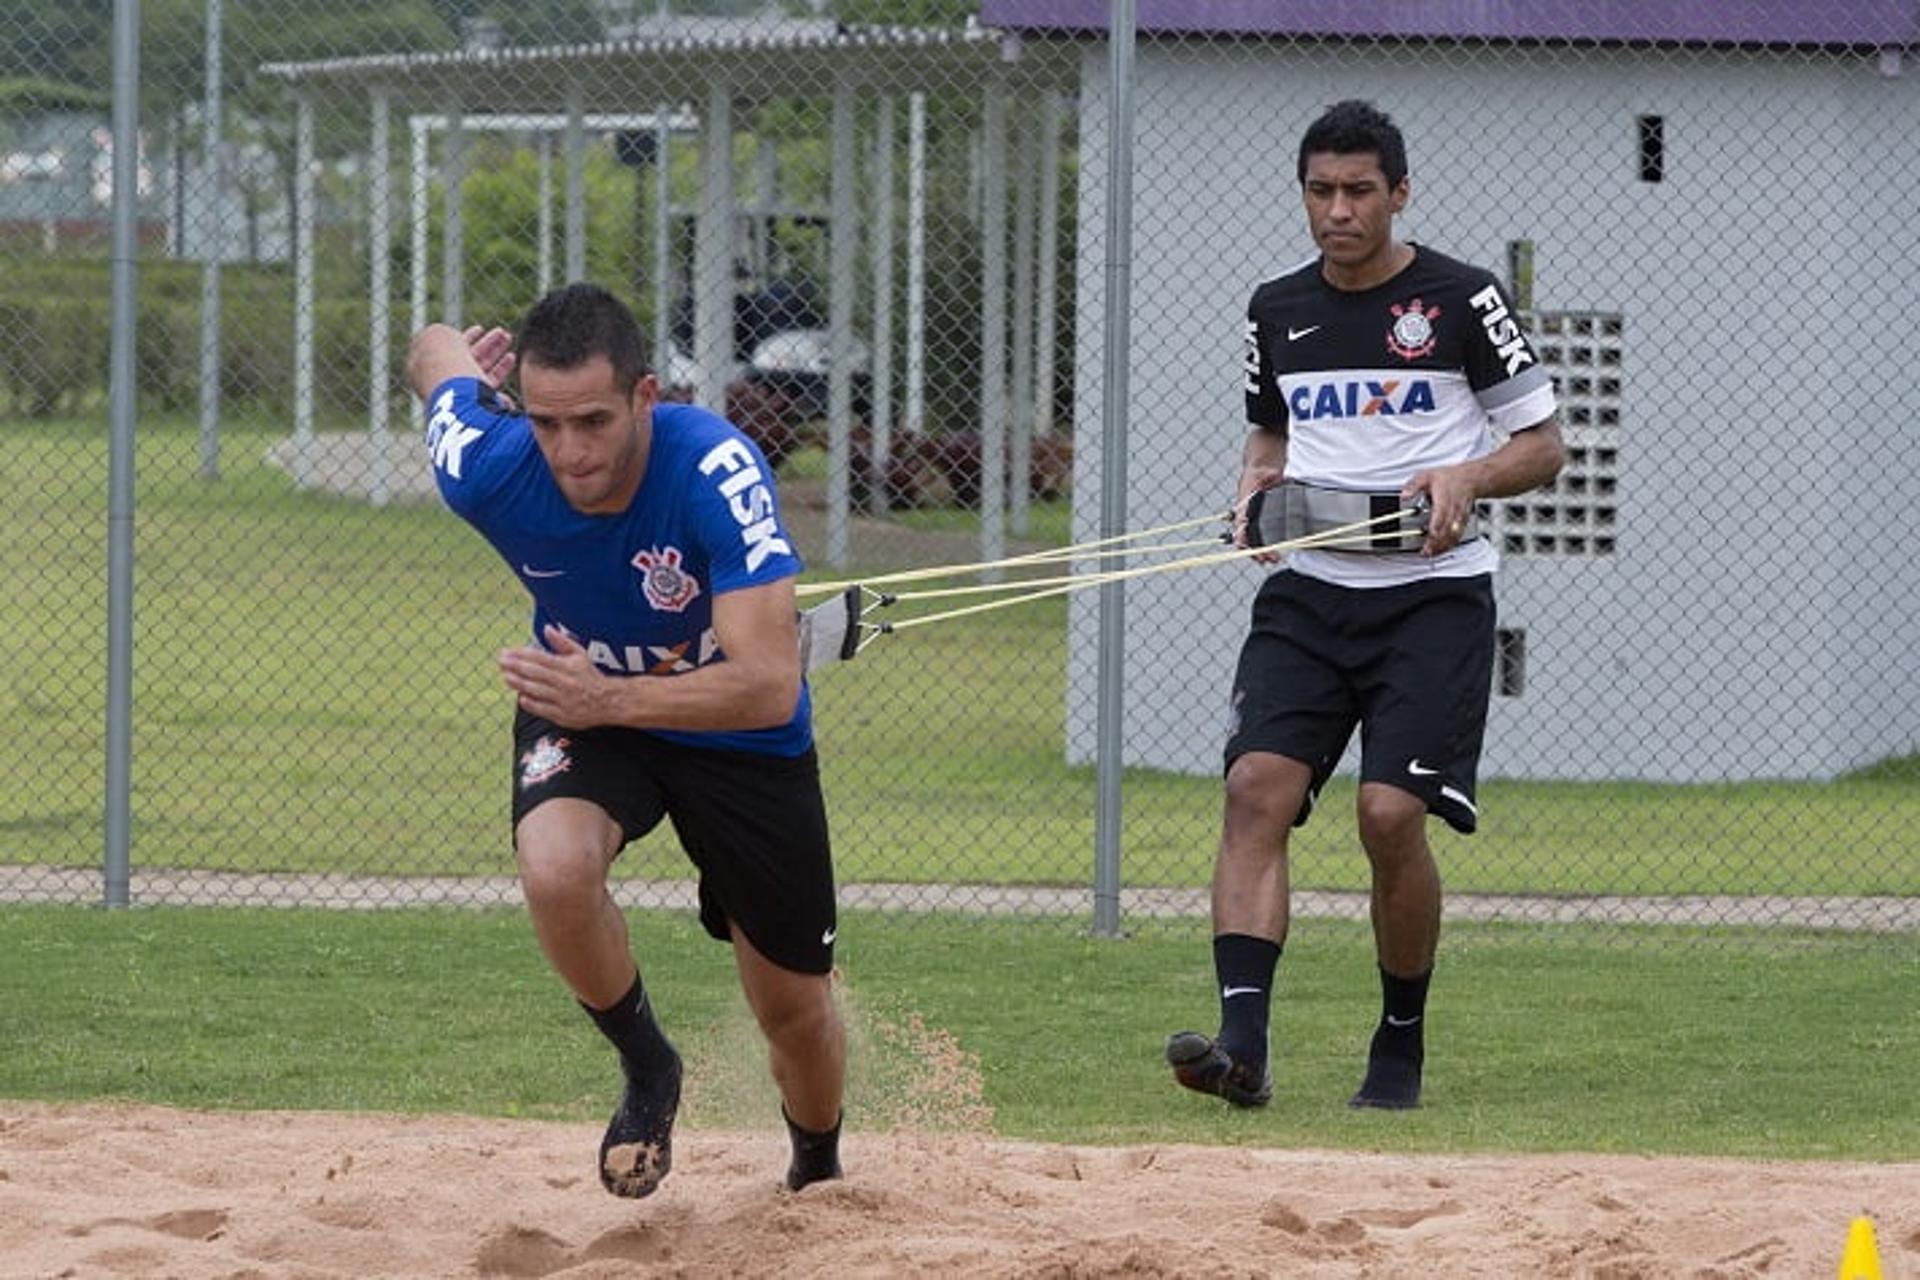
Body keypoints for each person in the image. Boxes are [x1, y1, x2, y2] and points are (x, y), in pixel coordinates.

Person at [1166, 100, 1565, 1111]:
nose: (1337, 211)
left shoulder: (1465, 299)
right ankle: (1242, 1048)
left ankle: (1399, 1041)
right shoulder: (1275, 309)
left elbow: (1542, 447)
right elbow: (1268, 442)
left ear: (1399, 193)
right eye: (1319, 191)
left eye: (1357, 191)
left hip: (1432, 598)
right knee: (1255, 785)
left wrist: (1467, 477)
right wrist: (1256, 491)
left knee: (1388, 815)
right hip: (1310, 592)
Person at [406, 283, 846, 1196]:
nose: (571, 451)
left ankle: (816, 1170)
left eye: (595, 421)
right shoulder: (490, 464)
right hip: (584, 696)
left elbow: (768, 686)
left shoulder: (714, 470)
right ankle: (649, 1068)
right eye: (546, 421)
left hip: (735, 732)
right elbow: (431, 351)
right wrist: (463, 374)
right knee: (556, 870)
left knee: (794, 1009)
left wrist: (611, 699)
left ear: (649, 396)